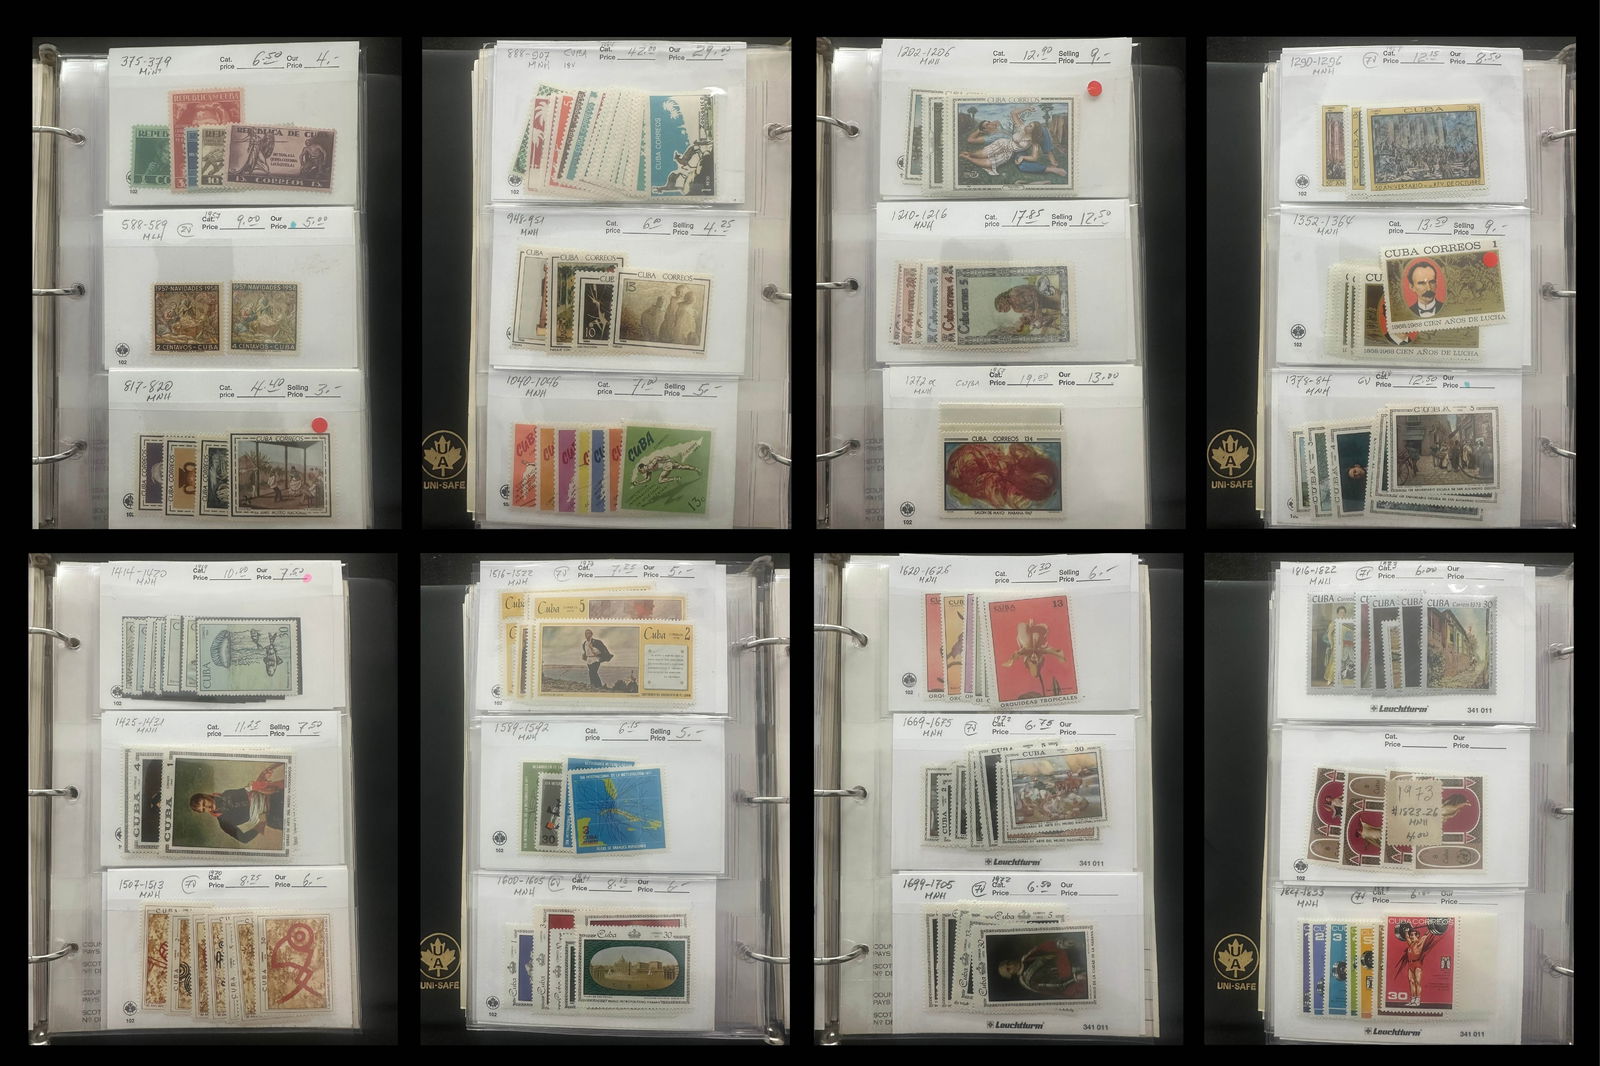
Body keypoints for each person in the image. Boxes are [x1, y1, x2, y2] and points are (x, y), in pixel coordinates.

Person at [188, 762, 285, 845]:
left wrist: (261, 780)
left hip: (274, 797)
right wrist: (259, 826)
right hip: (273, 815)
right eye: (203, 809)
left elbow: (249, 790)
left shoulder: (227, 794)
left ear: (206, 795)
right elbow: (243, 839)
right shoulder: (224, 822)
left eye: (204, 803)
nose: (207, 807)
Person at [997, 935, 1086, 998]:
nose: (1012, 965)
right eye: (1009, 969)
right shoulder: (1029, 981)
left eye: (1009, 963)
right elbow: (1057, 986)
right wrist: (1075, 978)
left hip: (1073, 957)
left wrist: (1061, 944)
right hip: (1075, 975)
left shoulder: (1028, 957)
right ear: (1011, 974)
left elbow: (1044, 947)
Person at [1392, 921, 1442, 1007]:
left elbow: (1426, 934)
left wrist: (1431, 926)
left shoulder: (1420, 943)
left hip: (1417, 965)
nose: (1411, 937)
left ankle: (1418, 1000)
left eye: (1412, 935)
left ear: (1417, 936)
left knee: (1417, 982)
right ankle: (1412, 1000)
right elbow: (1406, 936)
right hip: (1410, 965)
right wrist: (1406, 931)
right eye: (1410, 935)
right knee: (1411, 982)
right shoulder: (1410, 944)